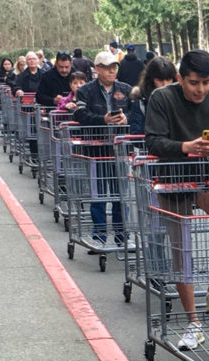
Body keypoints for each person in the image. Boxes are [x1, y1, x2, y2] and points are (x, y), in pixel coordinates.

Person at [143, 49, 209, 351]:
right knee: (181, 246)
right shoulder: (162, 98)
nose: (200, 89)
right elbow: (152, 140)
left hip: (208, 178)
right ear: (180, 79)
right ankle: (193, 322)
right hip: (172, 179)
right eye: (193, 82)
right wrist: (186, 146)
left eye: (205, 82)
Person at [73, 51, 135, 250]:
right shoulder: (86, 91)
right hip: (96, 149)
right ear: (97, 69)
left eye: (114, 67)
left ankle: (121, 235)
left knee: (121, 194)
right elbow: (81, 114)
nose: (111, 71)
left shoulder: (126, 89)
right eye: (107, 67)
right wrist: (103, 119)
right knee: (98, 194)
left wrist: (127, 119)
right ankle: (99, 236)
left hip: (120, 148)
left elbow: (137, 113)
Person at [128, 56, 177, 134]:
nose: (165, 84)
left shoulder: (181, 98)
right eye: (160, 80)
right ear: (151, 80)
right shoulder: (141, 102)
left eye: (168, 79)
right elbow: (136, 132)